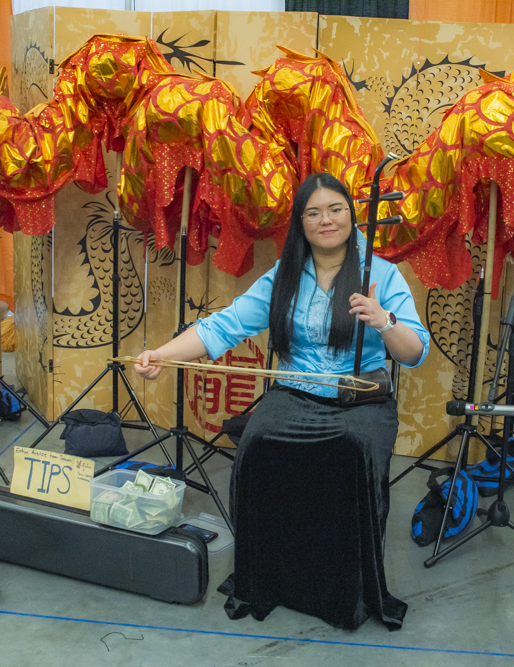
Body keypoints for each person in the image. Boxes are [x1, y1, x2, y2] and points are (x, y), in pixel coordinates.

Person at [134, 173, 430, 631]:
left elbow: (413, 354)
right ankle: (270, 578)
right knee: (256, 444)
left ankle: (343, 592)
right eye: (313, 212)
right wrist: (163, 356)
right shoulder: (285, 275)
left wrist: (383, 319)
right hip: (294, 392)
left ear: (352, 214)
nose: (325, 220)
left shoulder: (381, 274)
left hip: (360, 400)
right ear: (300, 222)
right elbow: (225, 326)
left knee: (352, 448)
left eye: (335, 209)